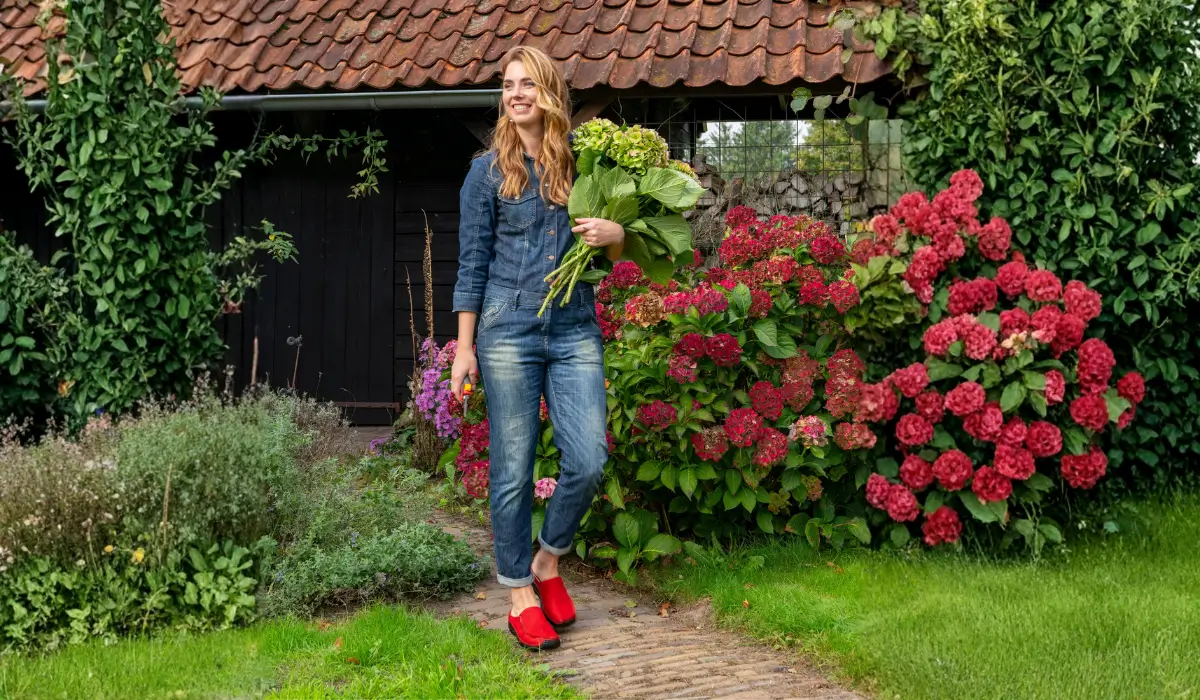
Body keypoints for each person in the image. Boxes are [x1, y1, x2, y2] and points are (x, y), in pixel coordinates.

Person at [449, 45, 624, 651]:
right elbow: (472, 264)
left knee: (589, 458)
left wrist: (616, 234)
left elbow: (617, 248)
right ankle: (520, 592)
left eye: (527, 84)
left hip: (574, 327)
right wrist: (464, 349)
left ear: (550, 92)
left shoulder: (584, 164)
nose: (516, 94)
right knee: (512, 468)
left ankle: (547, 560)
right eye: (508, 85)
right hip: (507, 328)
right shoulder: (485, 174)